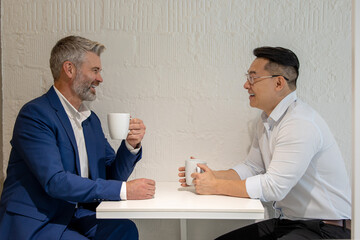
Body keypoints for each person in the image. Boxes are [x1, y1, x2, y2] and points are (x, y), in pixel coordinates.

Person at [179, 47, 351, 239]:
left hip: (326, 230)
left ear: (278, 82)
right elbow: (252, 167)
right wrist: (209, 176)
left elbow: (273, 187)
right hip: (290, 223)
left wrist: (216, 186)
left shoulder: (299, 123)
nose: (246, 85)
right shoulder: (266, 120)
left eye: (253, 78)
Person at [0, 35, 156, 240]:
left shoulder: (90, 121)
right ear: (69, 69)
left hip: (76, 214)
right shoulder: (35, 115)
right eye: (95, 70)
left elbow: (111, 177)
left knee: (124, 230)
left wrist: (130, 146)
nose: (100, 78)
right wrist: (124, 190)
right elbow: (56, 182)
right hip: (40, 220)